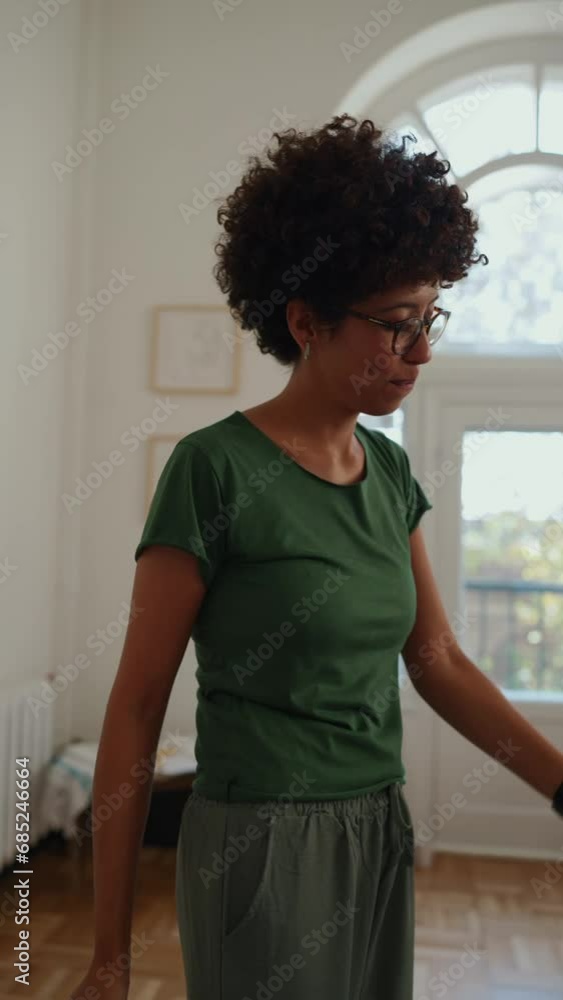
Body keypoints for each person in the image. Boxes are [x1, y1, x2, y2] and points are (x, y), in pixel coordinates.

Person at [70, 115, 563, 1000]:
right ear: (305, 321)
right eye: (396, 326)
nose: (421, 351)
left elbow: (437, 660)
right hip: (261, 841)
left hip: (378, 827)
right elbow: (137, 708)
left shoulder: (391, 474)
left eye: (429, 320)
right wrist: (109, 954)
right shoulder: (213, 470)